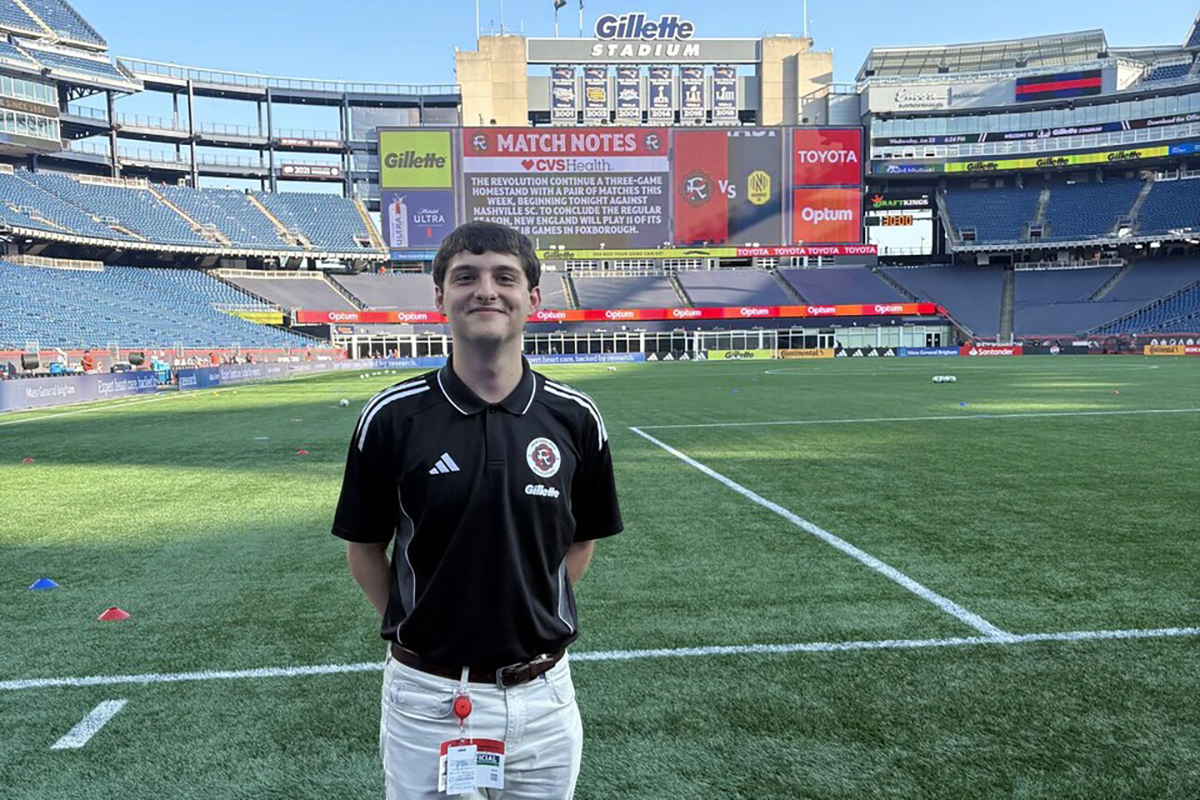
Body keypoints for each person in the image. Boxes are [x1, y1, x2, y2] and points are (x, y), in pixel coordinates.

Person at [332, 221, 622, 800]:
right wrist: (424, 619)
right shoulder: (391, 418)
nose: (485, 290)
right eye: (466, 277)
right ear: (440, 297)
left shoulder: (575, 418)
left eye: (504, 278)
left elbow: (581, 541)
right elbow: (364, 549)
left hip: (543, 697)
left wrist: (527, 601)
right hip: (427, 700)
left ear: (532, 299)